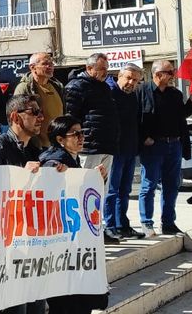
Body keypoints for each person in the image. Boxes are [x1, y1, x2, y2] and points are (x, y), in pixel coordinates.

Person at [39, 116, 108, 314]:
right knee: (67, 304)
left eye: (82, 133)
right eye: (75, 134)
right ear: (60, 139)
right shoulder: (54, 162)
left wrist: (94, 181)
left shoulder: (72, 160)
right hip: (61, 248)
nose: (81, 137)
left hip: (76, 245)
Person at [0, 95, 46, 314]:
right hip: (9, 245)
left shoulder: (35, 148)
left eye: (40, 111)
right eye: (33, 112)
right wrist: (21, 176)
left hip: (32, 241)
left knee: (37, 306)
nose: (40, 117)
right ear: (15, 117)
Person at [137, 60, 192, 237]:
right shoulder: (142, 91)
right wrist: (144, 138)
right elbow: (135, 118)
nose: (174, 76)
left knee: (172, 185)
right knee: (148, 185)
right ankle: (146, 223)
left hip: (174, 145)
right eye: (170, 73)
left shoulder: (175, 94)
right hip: (153, 146)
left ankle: (168, 222)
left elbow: (182, 114)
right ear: (158, 75)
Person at [64, 53, 120, 244]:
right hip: (88, 148)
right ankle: (81, 231)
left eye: (106, 68)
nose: (105, 72)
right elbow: (71, 118)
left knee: (100, 191)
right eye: (101, 68)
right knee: (83, 190)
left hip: (106, 145)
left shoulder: (104, 87)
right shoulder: (77, 87)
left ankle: (97, 228)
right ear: (89, 68)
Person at [106, 64, 146, 239]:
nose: (131, 82)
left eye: (135, 80)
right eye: (129, 78)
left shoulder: (132, 96)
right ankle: (110, 225)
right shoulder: (109, 93)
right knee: (112, 190)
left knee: (125, 190)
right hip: (114, 150)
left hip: (130, 149)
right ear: (119, 76)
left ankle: (123, 224)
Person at [13, 52, 64, 147]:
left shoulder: (57, 86)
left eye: (51, 63)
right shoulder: (24, 88)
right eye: (45, 64)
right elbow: (18, 119)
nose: (50, 66)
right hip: (37, 146)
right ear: (32, 67)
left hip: (57, 144)